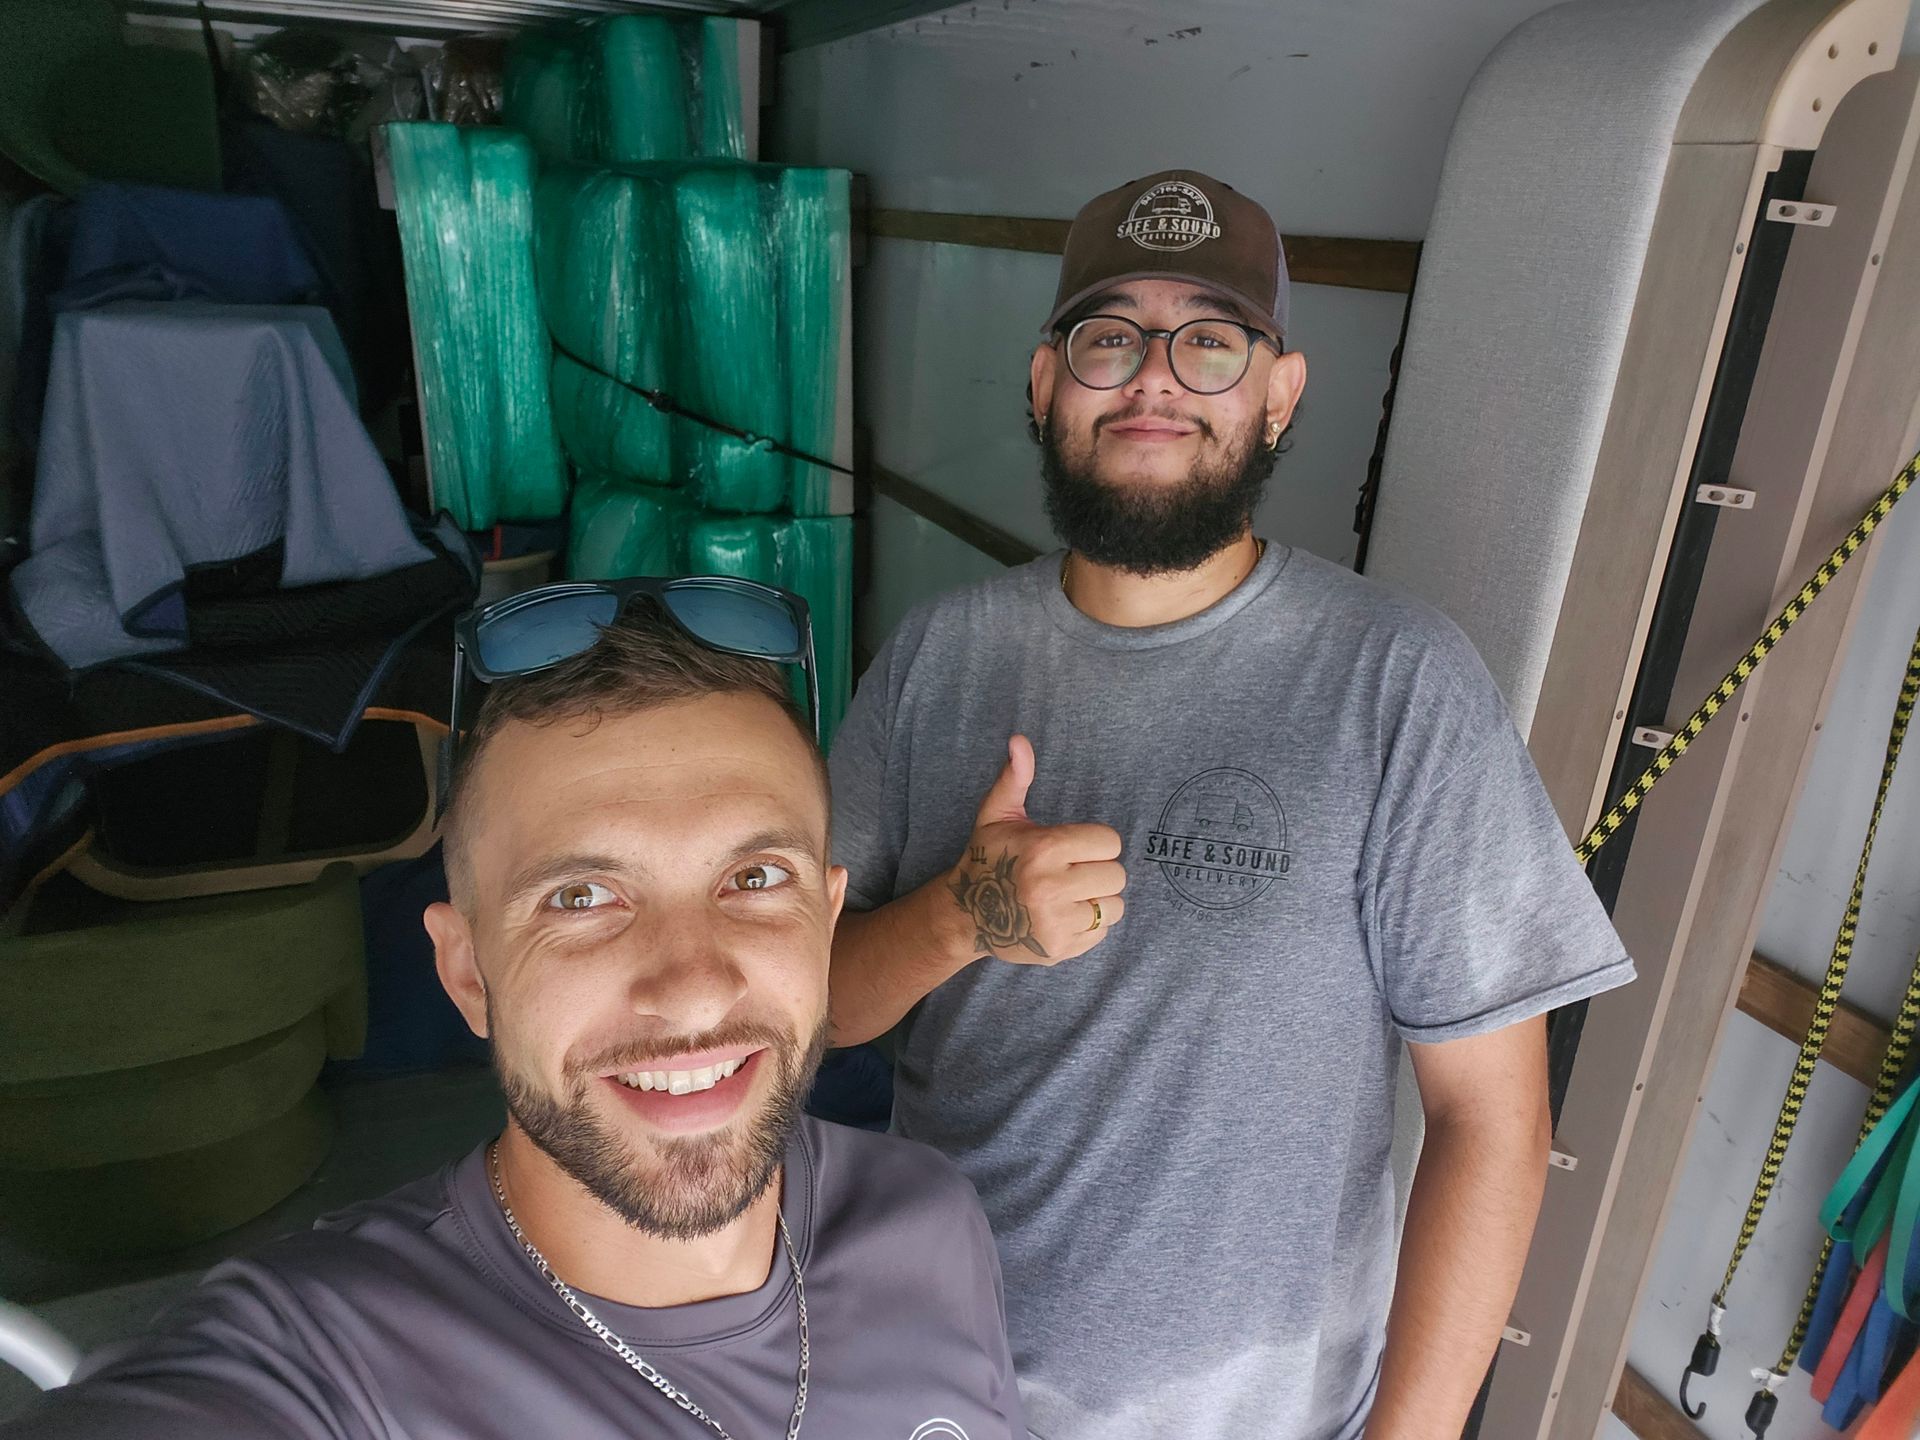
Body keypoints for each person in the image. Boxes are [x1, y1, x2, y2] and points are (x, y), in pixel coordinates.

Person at [827, 169, 1635, 1440]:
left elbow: (1493, 1119)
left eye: (1210, 342)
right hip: (933, 1395)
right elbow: (808, 1005)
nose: (1155, 377)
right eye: (1110, 339)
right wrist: (957, 919)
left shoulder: (1398, 683)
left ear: (1279, 396)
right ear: (1046, 386)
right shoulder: (939, 659)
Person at [5, 598, 1025, 1440]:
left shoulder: (928, 1222)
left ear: (827, 918)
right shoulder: (330, 1369)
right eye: (580, 898)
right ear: (468, 973)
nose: (695, 986)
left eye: (754, 878)